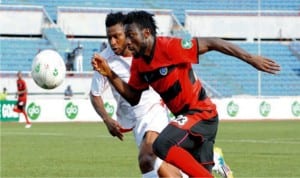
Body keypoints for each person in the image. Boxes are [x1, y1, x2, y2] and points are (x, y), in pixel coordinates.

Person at [92, 10, 280, 177]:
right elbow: (133, 97)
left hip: (202, 114)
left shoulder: (170, 47)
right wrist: (109, 73)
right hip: (187, 121)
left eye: (130, 36)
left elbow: (213, 43)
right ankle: (214, 159)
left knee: (160, 146)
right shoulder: (139, 64)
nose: (128, 42)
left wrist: (250, 58)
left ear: (146, 33)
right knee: (181, 161)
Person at [90, 12, 182, 178]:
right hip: (134, 118)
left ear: (127, 34)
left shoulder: (143, 51)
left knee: (146, 160)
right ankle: (209, 161)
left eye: (117, 36)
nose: (112, 42)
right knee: (162, 169)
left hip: (154, 109)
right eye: (109, 37)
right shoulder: (104, 59)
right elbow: (95, 94)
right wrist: (107, 119)